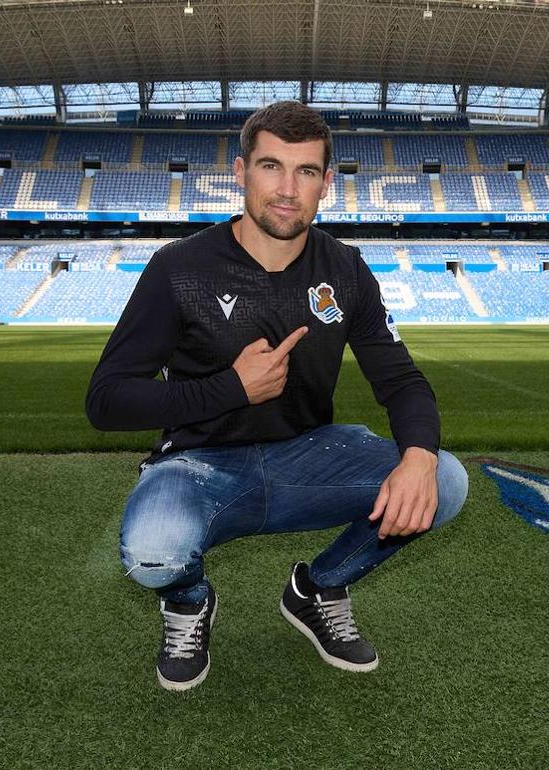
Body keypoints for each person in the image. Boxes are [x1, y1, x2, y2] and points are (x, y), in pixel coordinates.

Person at [85, 100, 469, 692]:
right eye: (271, 167)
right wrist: (230, 388)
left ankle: (317, 589)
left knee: (443, 480)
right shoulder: (178, 269)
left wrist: (417, 457)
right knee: (153, 551)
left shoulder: (345, 270)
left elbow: (401, 380)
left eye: (306, 172)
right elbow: (107, 401)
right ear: (241, 173)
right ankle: (188, 601)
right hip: (198, 463)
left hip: (308, 456)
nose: (287, 189)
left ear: (326, 184)